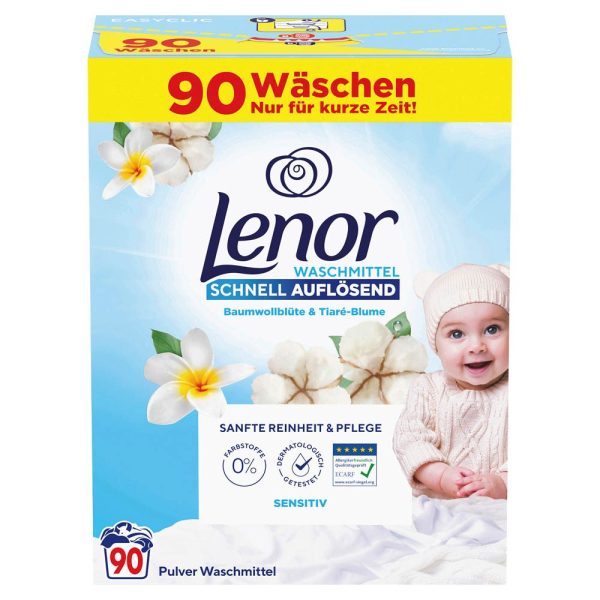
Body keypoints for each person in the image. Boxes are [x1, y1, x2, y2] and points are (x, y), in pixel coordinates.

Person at [393, 264, 509, 499]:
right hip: (439, 507)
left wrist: (503, 482)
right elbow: (408, 440)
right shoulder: (428, 389)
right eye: (457, 334)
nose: (476, 346)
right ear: (436, 345)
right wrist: (441, 476)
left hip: (503, 510)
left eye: (492, 329)